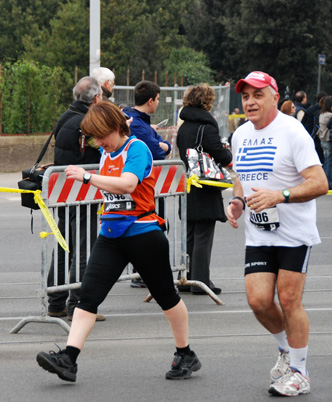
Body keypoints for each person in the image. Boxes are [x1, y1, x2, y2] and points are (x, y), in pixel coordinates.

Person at [36, 101, 201, 383]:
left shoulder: (137, 149)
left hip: (143, 234)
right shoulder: (105, 152)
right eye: (94, 138)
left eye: (102, 136)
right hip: (111, 235)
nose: (99, 143)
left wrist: (87, 177)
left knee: (166, 297)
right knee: (88, 296)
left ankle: (185, 353)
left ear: (116, 128)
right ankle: (69, 359)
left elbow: (127, 184)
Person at [226, 71, 328, 397]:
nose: (250, 102)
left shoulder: (292, 131)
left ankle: (300, 372)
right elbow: (241, 176)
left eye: (257, 95)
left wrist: (279, 195)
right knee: (258, 300)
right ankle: (286, 350)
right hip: (259, 233)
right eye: (245, 96)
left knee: (288, 299)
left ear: (273, 96)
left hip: (294, 233)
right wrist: (238, 201)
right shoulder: (240, 135)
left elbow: (319, 183)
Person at [47, 76, 106, 322]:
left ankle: (56, 302)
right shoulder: (87, 121)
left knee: (64, 246)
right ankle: (79, 306)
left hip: (64, 193)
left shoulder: (66, 117)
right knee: (84, 249)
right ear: (96, 98)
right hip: (83, 192)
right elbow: (105, 147)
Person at [176, 84, 232, 295]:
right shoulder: (207, 128)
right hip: (206, 185)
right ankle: (201, 281)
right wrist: (224, 147)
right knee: (203, 236)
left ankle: (188, 278)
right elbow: (224, 158)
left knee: (190, 234)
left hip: (188, 185)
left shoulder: (183, 127)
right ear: (207, 102)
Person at [123, 80, 171, 288]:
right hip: (144, 187)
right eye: (158, 99)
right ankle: (143, 273)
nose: (158, 103)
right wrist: (162, 145)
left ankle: (145, 271)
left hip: (148, 184)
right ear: (150, 100)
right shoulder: (136, 123)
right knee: (147, 228)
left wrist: (162, 144)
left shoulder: (140, 122)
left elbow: (162, 144)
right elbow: (158, 150)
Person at [317, 96, 332, 189]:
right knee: (331, 164)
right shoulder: (330, 115)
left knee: (327, 163)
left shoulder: (322, 114)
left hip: (323, 141)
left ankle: (325, 183)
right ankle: (329, 184)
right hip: (329, 141)